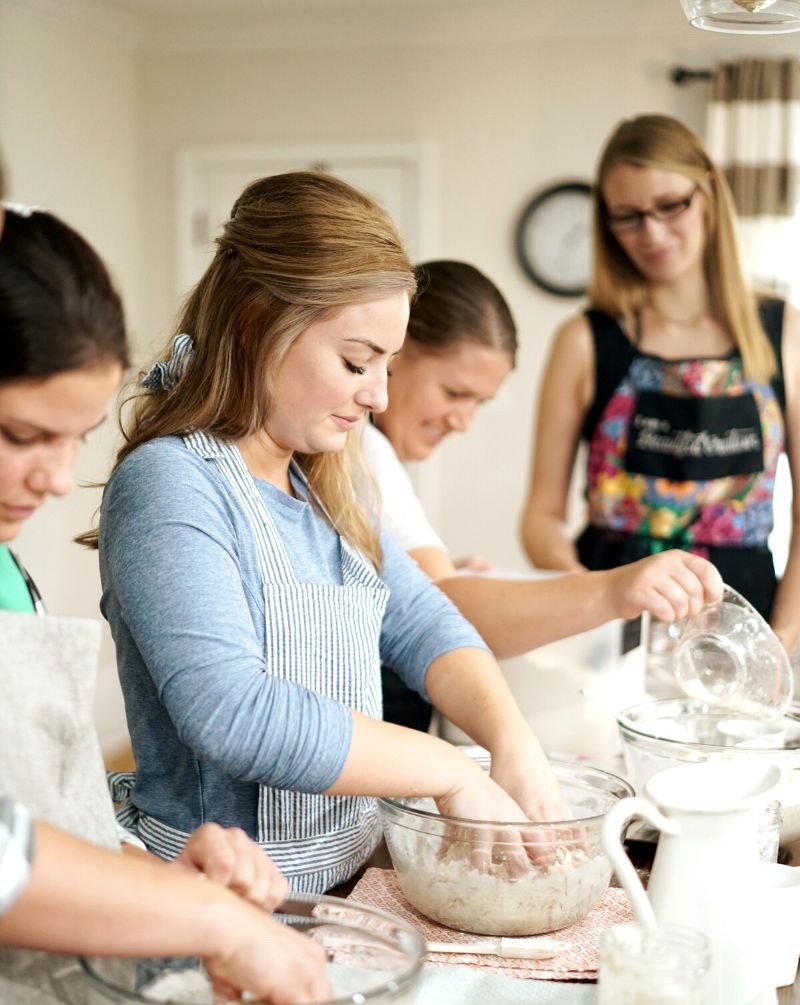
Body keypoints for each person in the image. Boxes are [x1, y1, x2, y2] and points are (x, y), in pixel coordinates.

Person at [93, 171, 568, 896]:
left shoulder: (329, 483)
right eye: (355, 361)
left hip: (343, 893)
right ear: (256, 324)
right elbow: (233, 713)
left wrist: (512, 740)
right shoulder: (170, 484)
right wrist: (446, 768)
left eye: (387, 365)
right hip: (214, 910)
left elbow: (424, 623)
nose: (377, 395)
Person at [0, 202, 329, 1005]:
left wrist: (157, 875)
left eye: (74, 440)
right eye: (22, 434)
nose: (53, 479)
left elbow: (34, 812)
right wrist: (210, 922)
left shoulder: (11, 570)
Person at [364, 259, 723, 728]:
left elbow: (410, 590)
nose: (463, 421)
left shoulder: (374, 451)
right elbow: (442, 611)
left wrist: (434, 575)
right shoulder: (364, 451)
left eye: (479, 403)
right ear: (395, 348)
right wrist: (613, 591)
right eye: (454, 392)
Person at [520, 114, 800, 649]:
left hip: (744, 624)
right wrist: (595, 598)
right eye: (628, 216)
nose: (652, 233)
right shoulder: (584, 341)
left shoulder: (783, 332)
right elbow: (540, 516)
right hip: (611, 618)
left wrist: (781, 639)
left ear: (710, 193)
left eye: (671, 205)